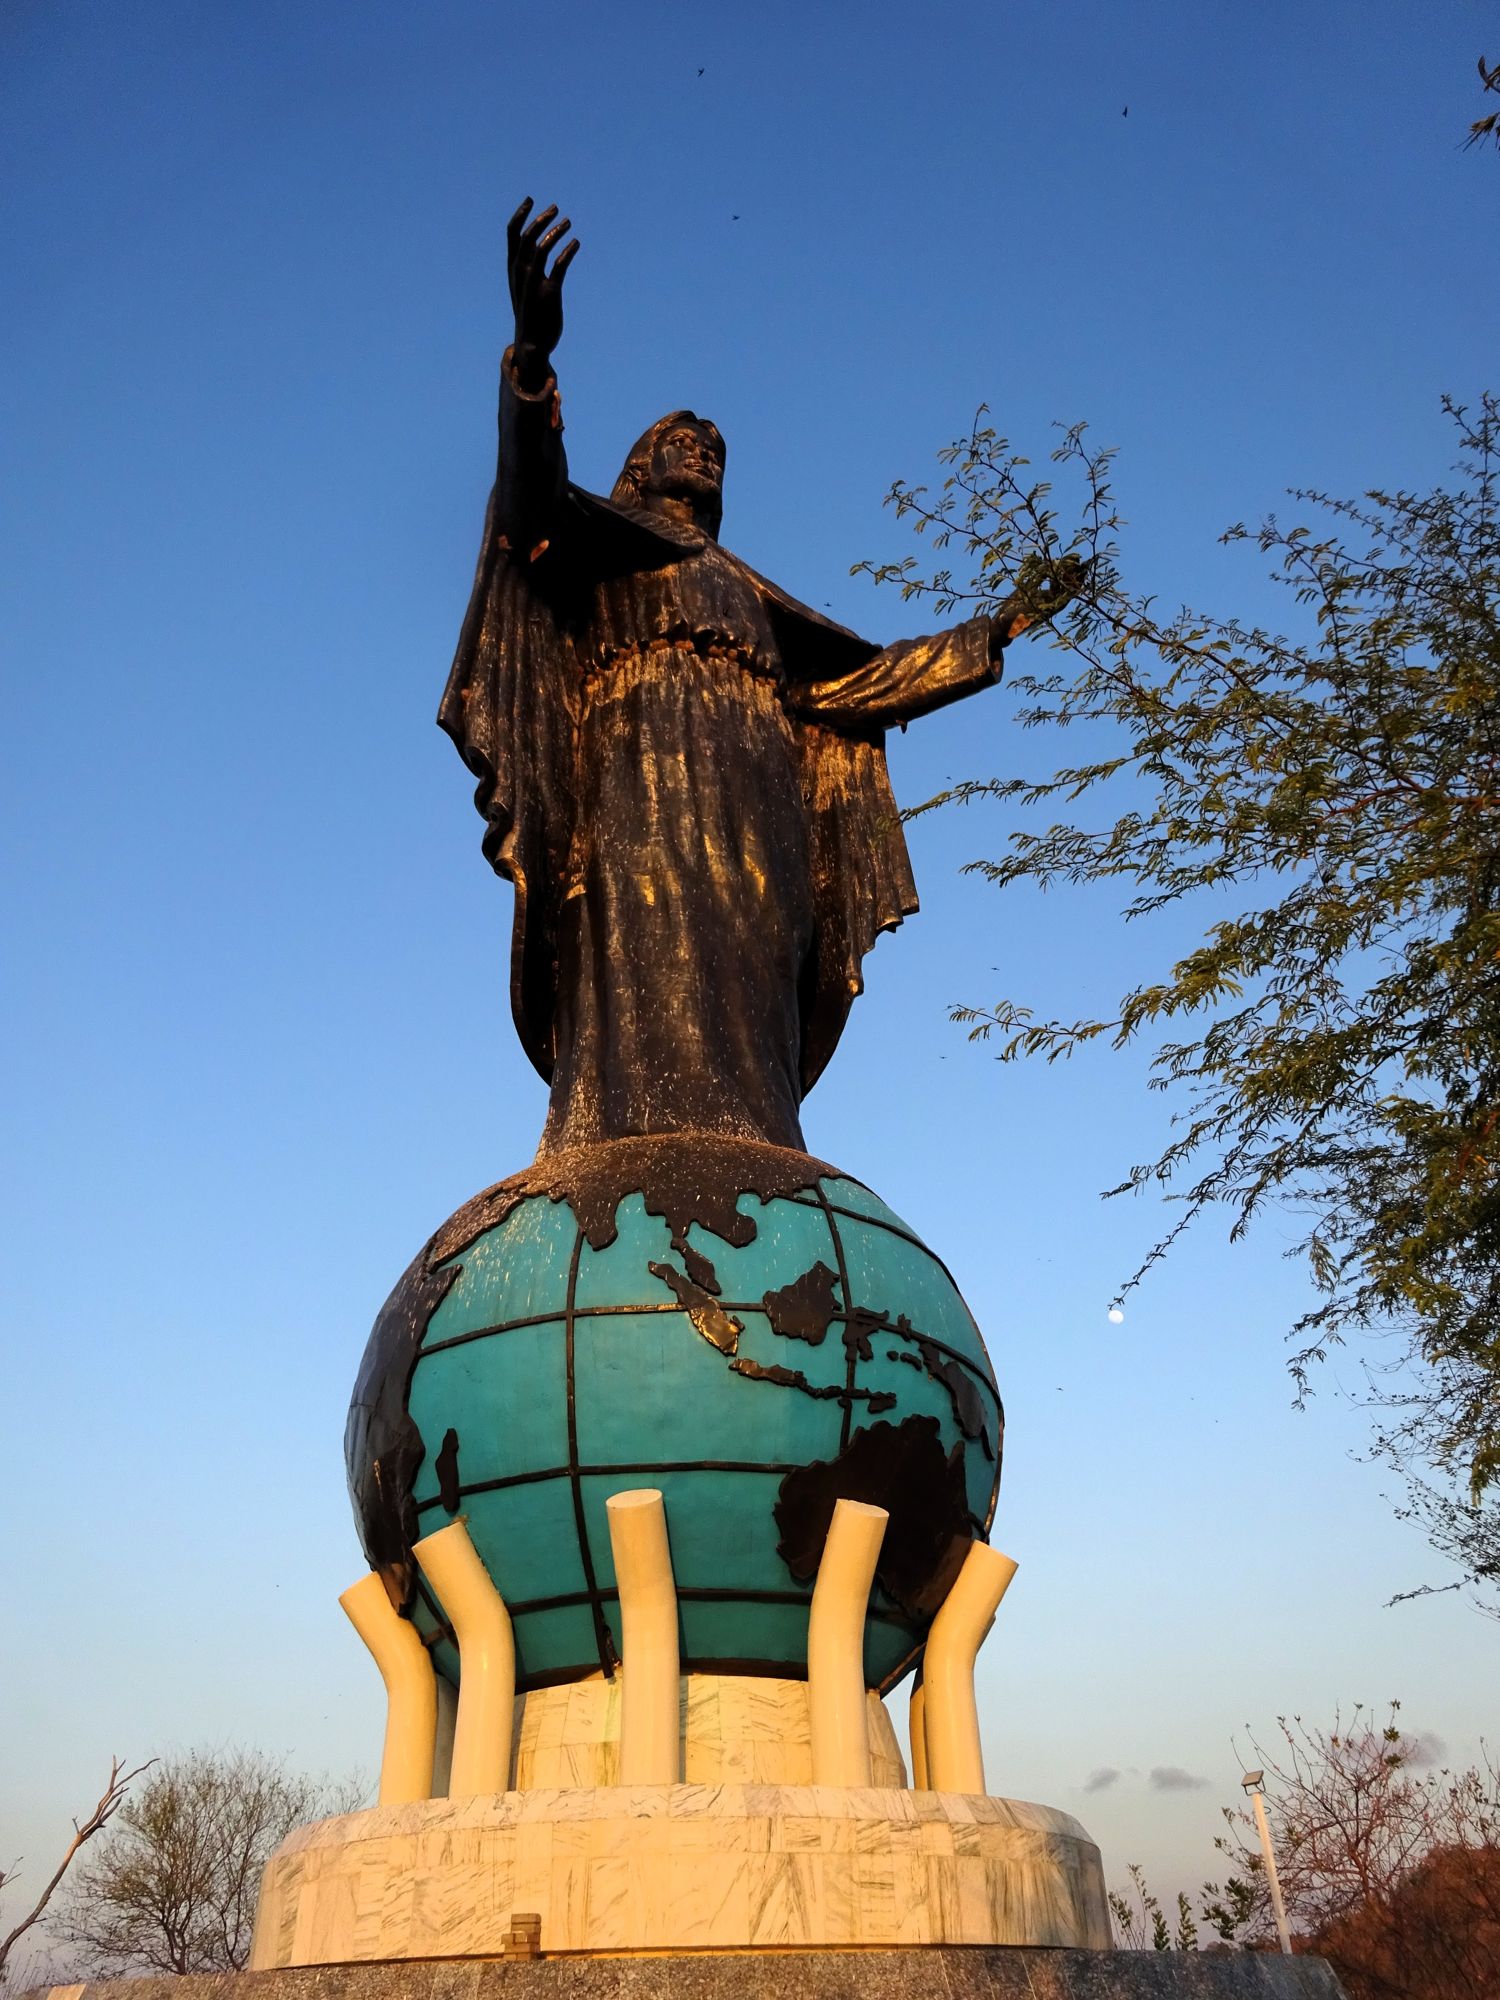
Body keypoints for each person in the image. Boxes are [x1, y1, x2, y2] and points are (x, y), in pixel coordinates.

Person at [439, 200, 1079, 1158]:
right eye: (679, 440)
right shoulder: (599, 544)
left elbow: (868, 682)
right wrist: (530, 364)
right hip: (642, 782)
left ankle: (761, 1146)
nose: (702, 450)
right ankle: (624, 1147)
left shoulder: (753, 595)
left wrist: (994, 630)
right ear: (636, 471)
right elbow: (527, 501)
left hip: (761, 798)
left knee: (755, 967)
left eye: (715, 449)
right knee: (648, 956)